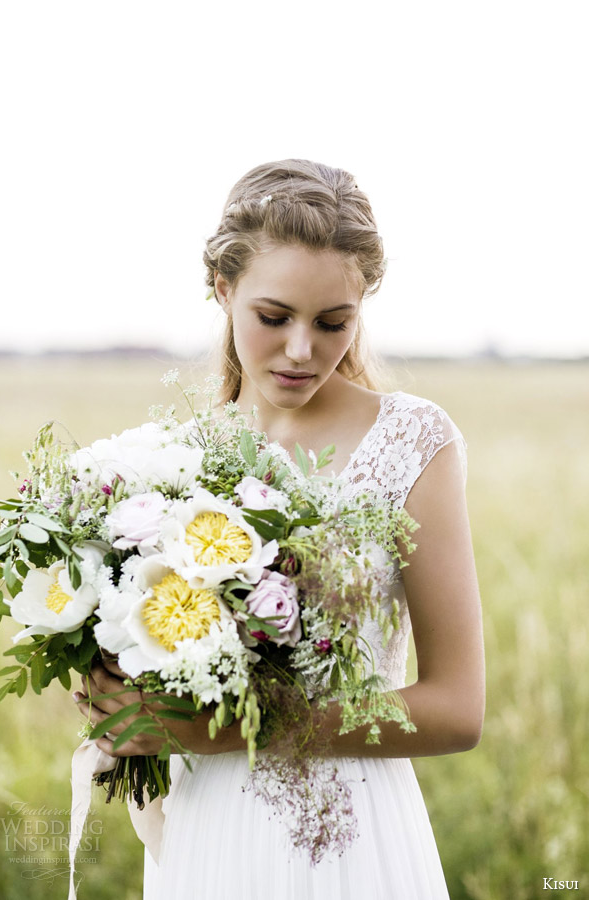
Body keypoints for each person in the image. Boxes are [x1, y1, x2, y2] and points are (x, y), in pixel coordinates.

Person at [75, 159, 485, 899]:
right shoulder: (169, 462)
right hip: (204, 834)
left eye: (333, 323)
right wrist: (116, 697)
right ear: (224, 290)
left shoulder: (414, 442)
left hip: (351, 837)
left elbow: (458, 709)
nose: (302, 350)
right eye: (274, 317)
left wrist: (223, 731)